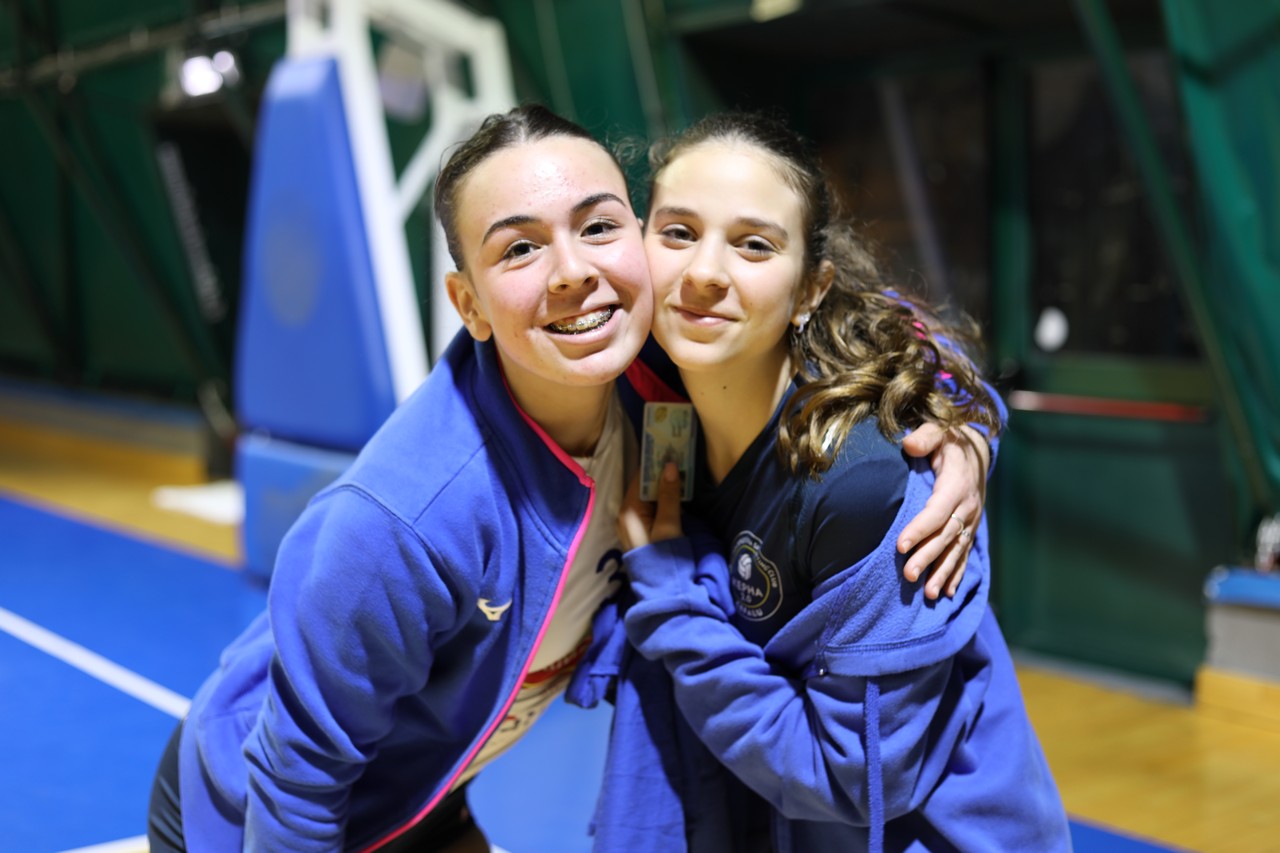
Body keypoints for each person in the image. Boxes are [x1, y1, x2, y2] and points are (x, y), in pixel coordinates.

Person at [145, 104, 993, 852]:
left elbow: (872, 323)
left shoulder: (658, 372)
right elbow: (296, 780)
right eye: (518, 248)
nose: (572, 273)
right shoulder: (409, 519)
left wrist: (960, 421)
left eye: (597, 226)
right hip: (251, 806)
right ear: (468, 302)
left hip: (422, 797)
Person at [614, 111, 1072, 852]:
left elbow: (855, 782)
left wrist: (669, 594)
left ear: (807, 291)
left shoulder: (863, 481)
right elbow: (913, 334)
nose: (703, 270)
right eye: (677, 232)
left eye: (754, 244)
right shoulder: (652, 389)